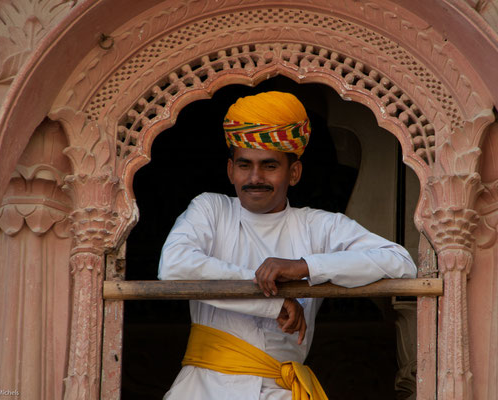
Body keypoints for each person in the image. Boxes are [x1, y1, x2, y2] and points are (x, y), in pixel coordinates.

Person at [158, 91, 417, 400]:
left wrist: (306, 267)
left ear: (293, 173)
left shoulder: (318, 226)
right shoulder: (211, 210)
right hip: (202, 388)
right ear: (230, 171)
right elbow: (173, 265)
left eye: (269, 166)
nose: (255, 177)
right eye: (244, 165)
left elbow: (400, 262)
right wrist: (275, 301)